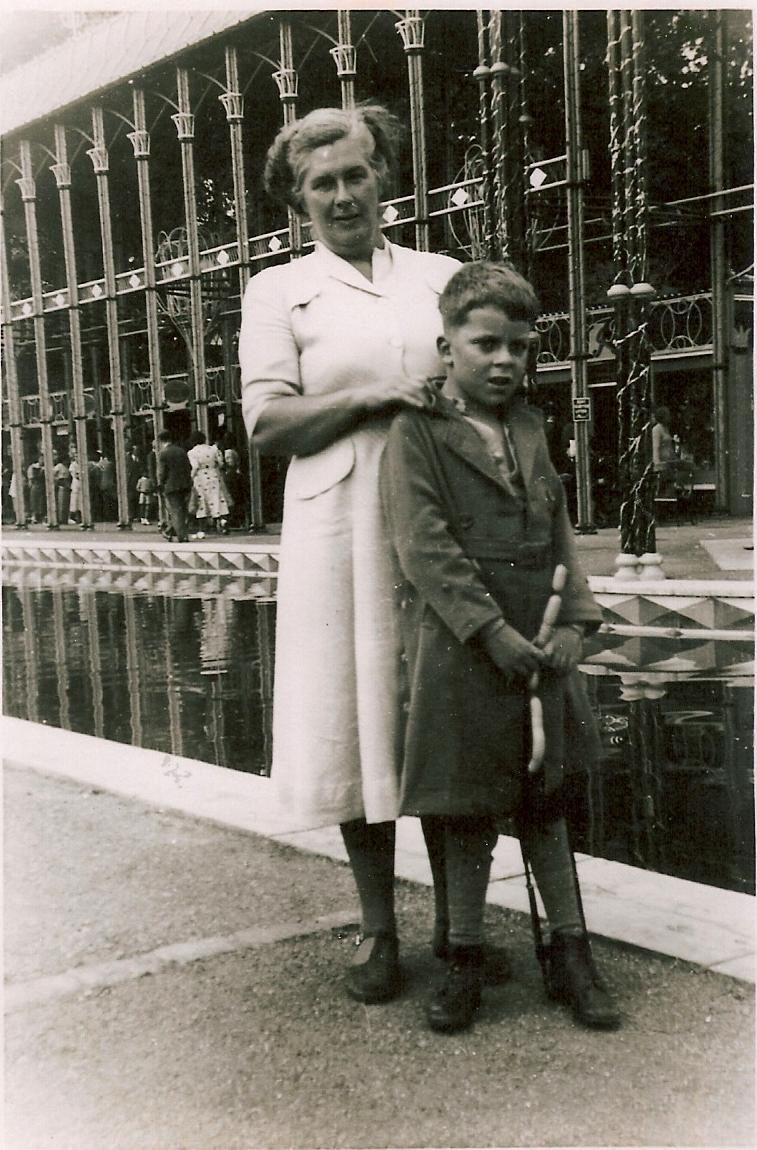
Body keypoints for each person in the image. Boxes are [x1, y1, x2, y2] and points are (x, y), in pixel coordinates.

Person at [239, 103, 460, 1004]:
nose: (341, 194)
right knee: (351, 723)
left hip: (439, 522)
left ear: (384, 175)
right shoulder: (276, 290)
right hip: (337, 533)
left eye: (354, 174)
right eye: (320, 182)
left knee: (440, 712)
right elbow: (266, 420)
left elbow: (484, 375)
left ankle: (460, 925)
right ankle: (379, 931)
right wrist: (376, 394)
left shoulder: (442, 275)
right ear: (298, 199)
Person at [380, 261, 621, 1033]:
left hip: (541, 640)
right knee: (467, 808)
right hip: (464, 648)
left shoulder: (528, 426)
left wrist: (575, 622)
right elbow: (425, 548)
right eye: (485, 343)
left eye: (520, 346)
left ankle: (568, 948)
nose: (505, 361)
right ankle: (462, 953)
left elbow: (556, 530)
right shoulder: (414, 433)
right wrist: (491, 633)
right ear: (445, 346)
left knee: (545, 799)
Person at [187, 431, 230, 537]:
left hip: (201, 478)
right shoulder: (213, 449)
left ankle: (202, 529)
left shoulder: (192, 452)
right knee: (217, 498)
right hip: (214, 475)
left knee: (202, 502)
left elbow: (195, 466)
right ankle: (222, 521)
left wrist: (191, 477)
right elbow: (220, 463)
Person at [156, 429, 192, 543]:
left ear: (161, 441)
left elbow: (161, 472)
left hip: (171, 485)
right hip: (185, 484)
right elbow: (189, 467)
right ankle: (169, 531)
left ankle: (182, 536)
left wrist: (160, 483)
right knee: (182, 510)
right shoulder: (181, 451)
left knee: (175, 510)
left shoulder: (163, 453)